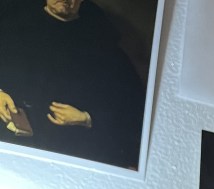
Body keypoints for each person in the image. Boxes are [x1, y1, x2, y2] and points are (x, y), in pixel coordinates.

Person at [0, 0, 147, 168]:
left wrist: (86, 118)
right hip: (10, 140)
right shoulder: (13, 26)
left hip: (66, 148)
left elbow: (134, 106)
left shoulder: (102, 45)